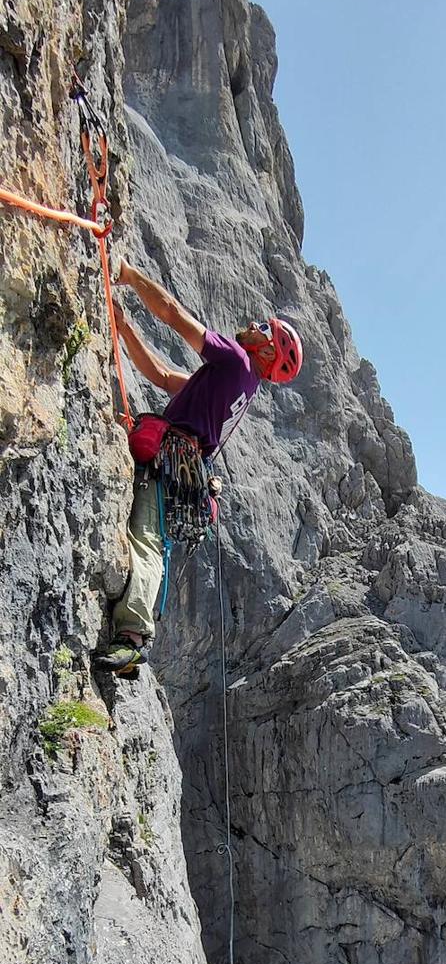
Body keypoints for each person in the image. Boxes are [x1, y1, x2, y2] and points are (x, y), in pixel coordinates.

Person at [93, 258, 303, 675]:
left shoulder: (236, 363)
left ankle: (133, 636)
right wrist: (122, 326)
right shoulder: (238, 384)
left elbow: (172, 313)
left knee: (148, 538)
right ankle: (133, 632)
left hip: (173, 466)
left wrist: (130, 274)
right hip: (185, 473)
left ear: (267, 351)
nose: (255, 326)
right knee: (153, 538)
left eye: (265, 329)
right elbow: (162, 375)